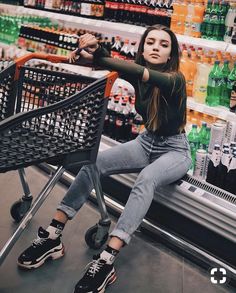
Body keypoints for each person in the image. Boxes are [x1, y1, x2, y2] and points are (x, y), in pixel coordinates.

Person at [18, 24, 191, 293]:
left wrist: (97, 51)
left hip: (175, 150)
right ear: (143, 49)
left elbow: (131, 69)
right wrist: (89, 52)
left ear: (171, 54)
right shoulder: (138, 76)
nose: (156, 47)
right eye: (151, 42)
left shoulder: (175, 80)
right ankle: (53, 234)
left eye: (163, 44)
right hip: (145, 143)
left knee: (146, 179)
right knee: (93, 163)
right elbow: (118, 67)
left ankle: (108, 259)